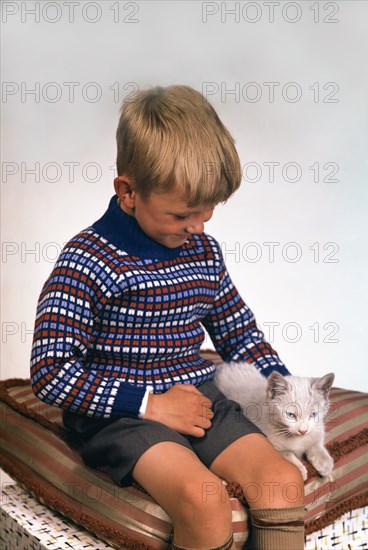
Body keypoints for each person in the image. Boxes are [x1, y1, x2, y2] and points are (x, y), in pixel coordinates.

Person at [30, 85, 305, 550]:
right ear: (129, 191)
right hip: (121, 414)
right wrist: (149, 405)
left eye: (208, 212)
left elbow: (239, 332)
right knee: (204, 500)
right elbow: (51, 372)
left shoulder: (203, 251)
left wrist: (287, 390)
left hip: (199, 398)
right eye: (182, 214)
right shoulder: (87, 260)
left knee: (281, 482)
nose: (197, 226)